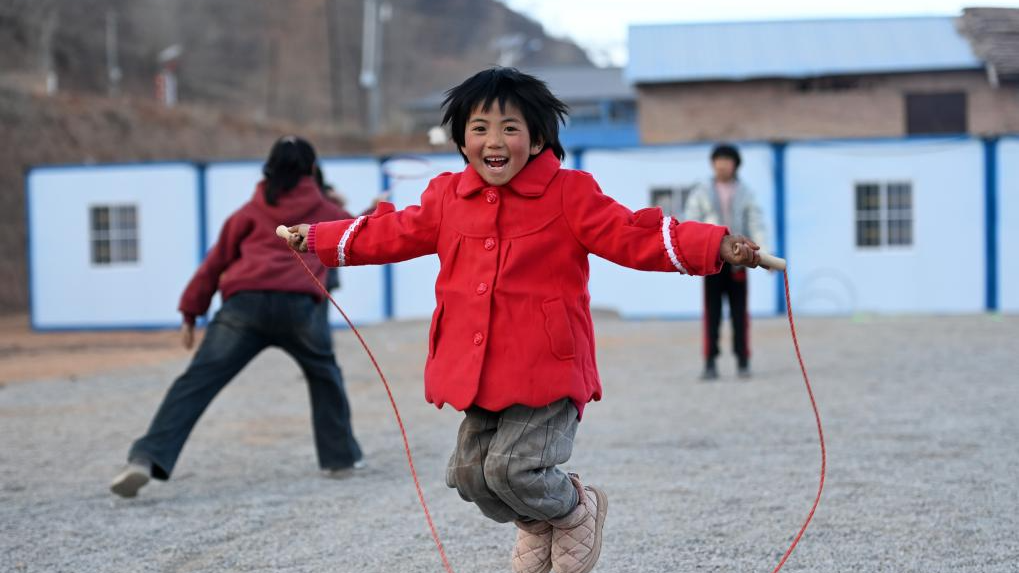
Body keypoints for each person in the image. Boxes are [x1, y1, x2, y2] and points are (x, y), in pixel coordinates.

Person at [283, 68, 760, 573]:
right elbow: (391, 232)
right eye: (480, 127)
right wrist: (316, 238)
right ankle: (537, 525)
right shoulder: (447, 198)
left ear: (536, 139)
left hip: (545, 368)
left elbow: (632, 234)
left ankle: (576, 510)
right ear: (462, 139)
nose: (494, 140)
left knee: (513, 468)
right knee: (470, 475)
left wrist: (714, 243)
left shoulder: (569, 193)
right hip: (478, 368)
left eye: (510, 128)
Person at [110, 136, 364, 499]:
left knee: (196, 383)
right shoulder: (326, 209)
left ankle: (146, 459)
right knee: (325, 377)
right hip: (300, 309)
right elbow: (358, 233)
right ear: (311, 170)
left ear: (269, 170)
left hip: (244, 306)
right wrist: (373, 210)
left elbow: (215, 264)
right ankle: (340, 459)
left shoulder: (248, 212)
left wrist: (190, 311)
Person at [683, 144, 768, 381]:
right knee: (712, 313)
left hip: (739, 261)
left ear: (735, 164)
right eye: (718, 160)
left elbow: (756, 222)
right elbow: (691, 222)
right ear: (713, 164)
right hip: (712, 260)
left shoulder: (746, 192)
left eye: (727, 160)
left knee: (740, 313)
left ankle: (743, 359)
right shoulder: (701, 191)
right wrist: (692, 252)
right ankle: (710, 361)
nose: (722, 164)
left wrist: (764, 254)